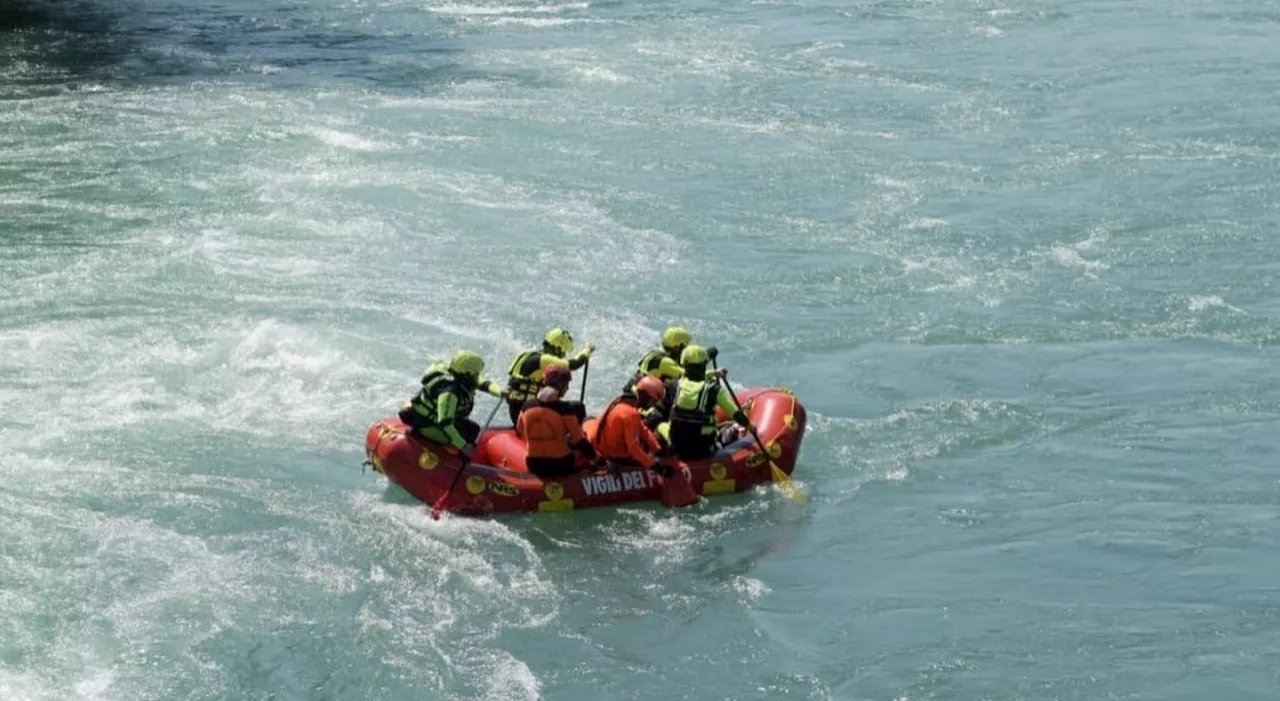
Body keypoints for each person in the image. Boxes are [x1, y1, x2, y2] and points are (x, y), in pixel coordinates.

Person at [399, 350, 506, 460]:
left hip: (437, 419)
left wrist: (500, 392)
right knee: (463, 438)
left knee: (473, 429)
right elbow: (445, 423)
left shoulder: (458, 374)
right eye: (476, 373)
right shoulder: (449, 393)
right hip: (428, 424)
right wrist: (463, 447)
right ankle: (452, 460)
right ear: (468, 374)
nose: (477, 376)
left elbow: (482, 383)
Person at [658, 345, 755, 461]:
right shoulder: (713, 389)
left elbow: (690, 377)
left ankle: (663, 456)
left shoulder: (674, 386)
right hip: (703, 450)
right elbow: (736, 414)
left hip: (679, 447)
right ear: (703, 366)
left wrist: (714, 373)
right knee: (730, 430)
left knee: (661, 426)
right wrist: (751, 427)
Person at [516, 364, 599, 478]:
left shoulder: (526, 407)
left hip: (534, 464)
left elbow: (519, 431)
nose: (568, 388)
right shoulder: (565, 409)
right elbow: (579, 441)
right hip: (560, 465)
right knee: (576, 445)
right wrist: (600, 460)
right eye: (566, 385)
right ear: (561, 385)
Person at [505, 327, 595, 424]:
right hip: (528, 412)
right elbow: (575, 363)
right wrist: (587, 350)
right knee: (578, 407)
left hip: (516, 411)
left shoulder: (526, 354)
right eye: (563, 352)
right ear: (557, 349)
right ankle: (578, 437)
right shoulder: (544, 360)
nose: (563, 355)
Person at [590, 376, 669, 472]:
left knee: (653, 454)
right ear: (646, 396)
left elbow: (643, 430)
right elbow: (633, 447)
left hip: (604, 450)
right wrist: (656, 467)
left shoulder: (622, 402)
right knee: (654, 460)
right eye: (653, 401)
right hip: (615, 458)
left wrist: (659, 450)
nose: (653, 405)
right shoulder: (631, 413)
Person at [621, 326, 692, 396]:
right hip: (640, 399)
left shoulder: (656, 353)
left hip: (633, 393)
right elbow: (691, 376)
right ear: (678, 346)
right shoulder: (665, 362)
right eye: (686, 347)